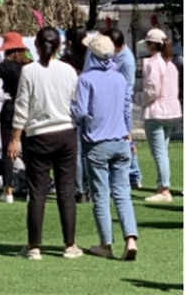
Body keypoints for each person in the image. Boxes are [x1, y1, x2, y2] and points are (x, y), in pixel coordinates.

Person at [8, 26, 82, 260]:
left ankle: (33, 246)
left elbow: (22, 106)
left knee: (37, 192)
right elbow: (76, 101)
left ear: (36, 46)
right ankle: (70, 245)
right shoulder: (68, 70)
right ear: (59, 46)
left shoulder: (29, 71)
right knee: (66, 190)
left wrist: (15, 137)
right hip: (66, 133)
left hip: (38, 136)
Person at [72, 33, 138, 261]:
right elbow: (127, 109)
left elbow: (80, 112)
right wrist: (129, 136)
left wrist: (71, 107)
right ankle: (130, 238)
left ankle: (106, 244)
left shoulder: (86, 80)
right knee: (122, 194)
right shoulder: (120, 78)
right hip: (121, 141)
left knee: (101, 196)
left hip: (97, 143)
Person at [0, 31, 32, 203]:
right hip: (27, 109)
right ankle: (31, 190)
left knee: (7, 151)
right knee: (28, 151)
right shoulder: (30, 66)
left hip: (10, 108)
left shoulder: (4, 66)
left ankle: (8, 191)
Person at [140, 28, 181, 203]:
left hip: (156, 111)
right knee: (163, 151)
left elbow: (152, 90)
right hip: (171, 110)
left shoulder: (153, 64)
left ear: (151, 45)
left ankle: (164, 188)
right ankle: (162, 185)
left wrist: (139, 99)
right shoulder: (170, 64)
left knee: (159, 152)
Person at [101, 28, 142, 189]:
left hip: (121, 103)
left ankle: (134, 175)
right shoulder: (115, 56)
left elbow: (127, 87)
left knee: (126, 138)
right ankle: (132, 174)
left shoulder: (127, 61)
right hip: (114, 101)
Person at [61, 26, 90, 203]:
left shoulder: (65, 62)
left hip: (73, 105)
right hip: (91, 106)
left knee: (77, 152)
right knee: (89, 150)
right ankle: (90, 187)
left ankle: (80, 190)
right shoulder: (92, 59)